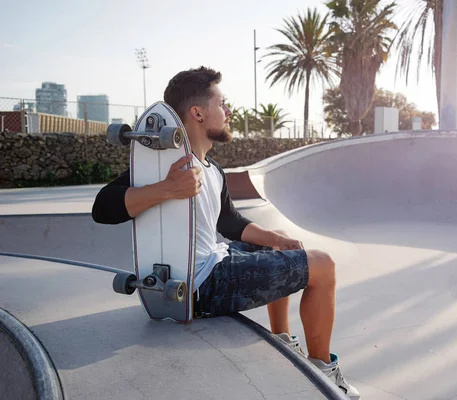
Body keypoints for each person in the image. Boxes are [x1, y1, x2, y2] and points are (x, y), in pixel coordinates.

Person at [92, 66, 360, 399]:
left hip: (217, 262)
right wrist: (166, 188)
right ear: (198, 112)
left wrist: (277, 240)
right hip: (203, 284)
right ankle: (323, 372)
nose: (229, 111)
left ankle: (281, 341)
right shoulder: (162, 166)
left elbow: (229, 222)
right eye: (223, 103)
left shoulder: (211, 169)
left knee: (281, 246)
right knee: (324, 265)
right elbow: (102, 208)